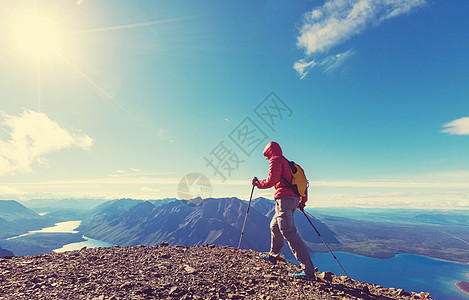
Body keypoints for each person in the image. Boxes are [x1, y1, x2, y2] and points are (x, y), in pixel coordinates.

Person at [252, 141, 315, 280]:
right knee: (274, 226)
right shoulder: (289, 163)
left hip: (284, 200)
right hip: (292, 200)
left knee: (289, 232)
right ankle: (273, 255)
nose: (266, 158)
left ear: (269, 151)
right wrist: (302, 201)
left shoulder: (275, 160)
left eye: (266, 155)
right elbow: (303, 184)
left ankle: (308, 271)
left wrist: (257, 184)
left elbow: (271, 181)